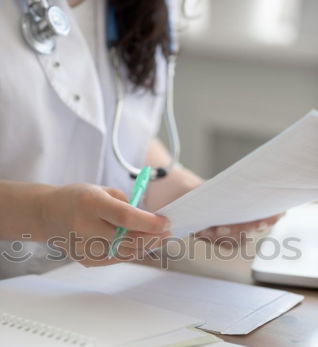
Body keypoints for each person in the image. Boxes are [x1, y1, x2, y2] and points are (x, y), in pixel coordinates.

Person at [0, 0, 279, 278]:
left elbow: (124, 134)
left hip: (93, 283)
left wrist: (190, 197)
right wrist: (43, 213)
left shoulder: (148, 7)